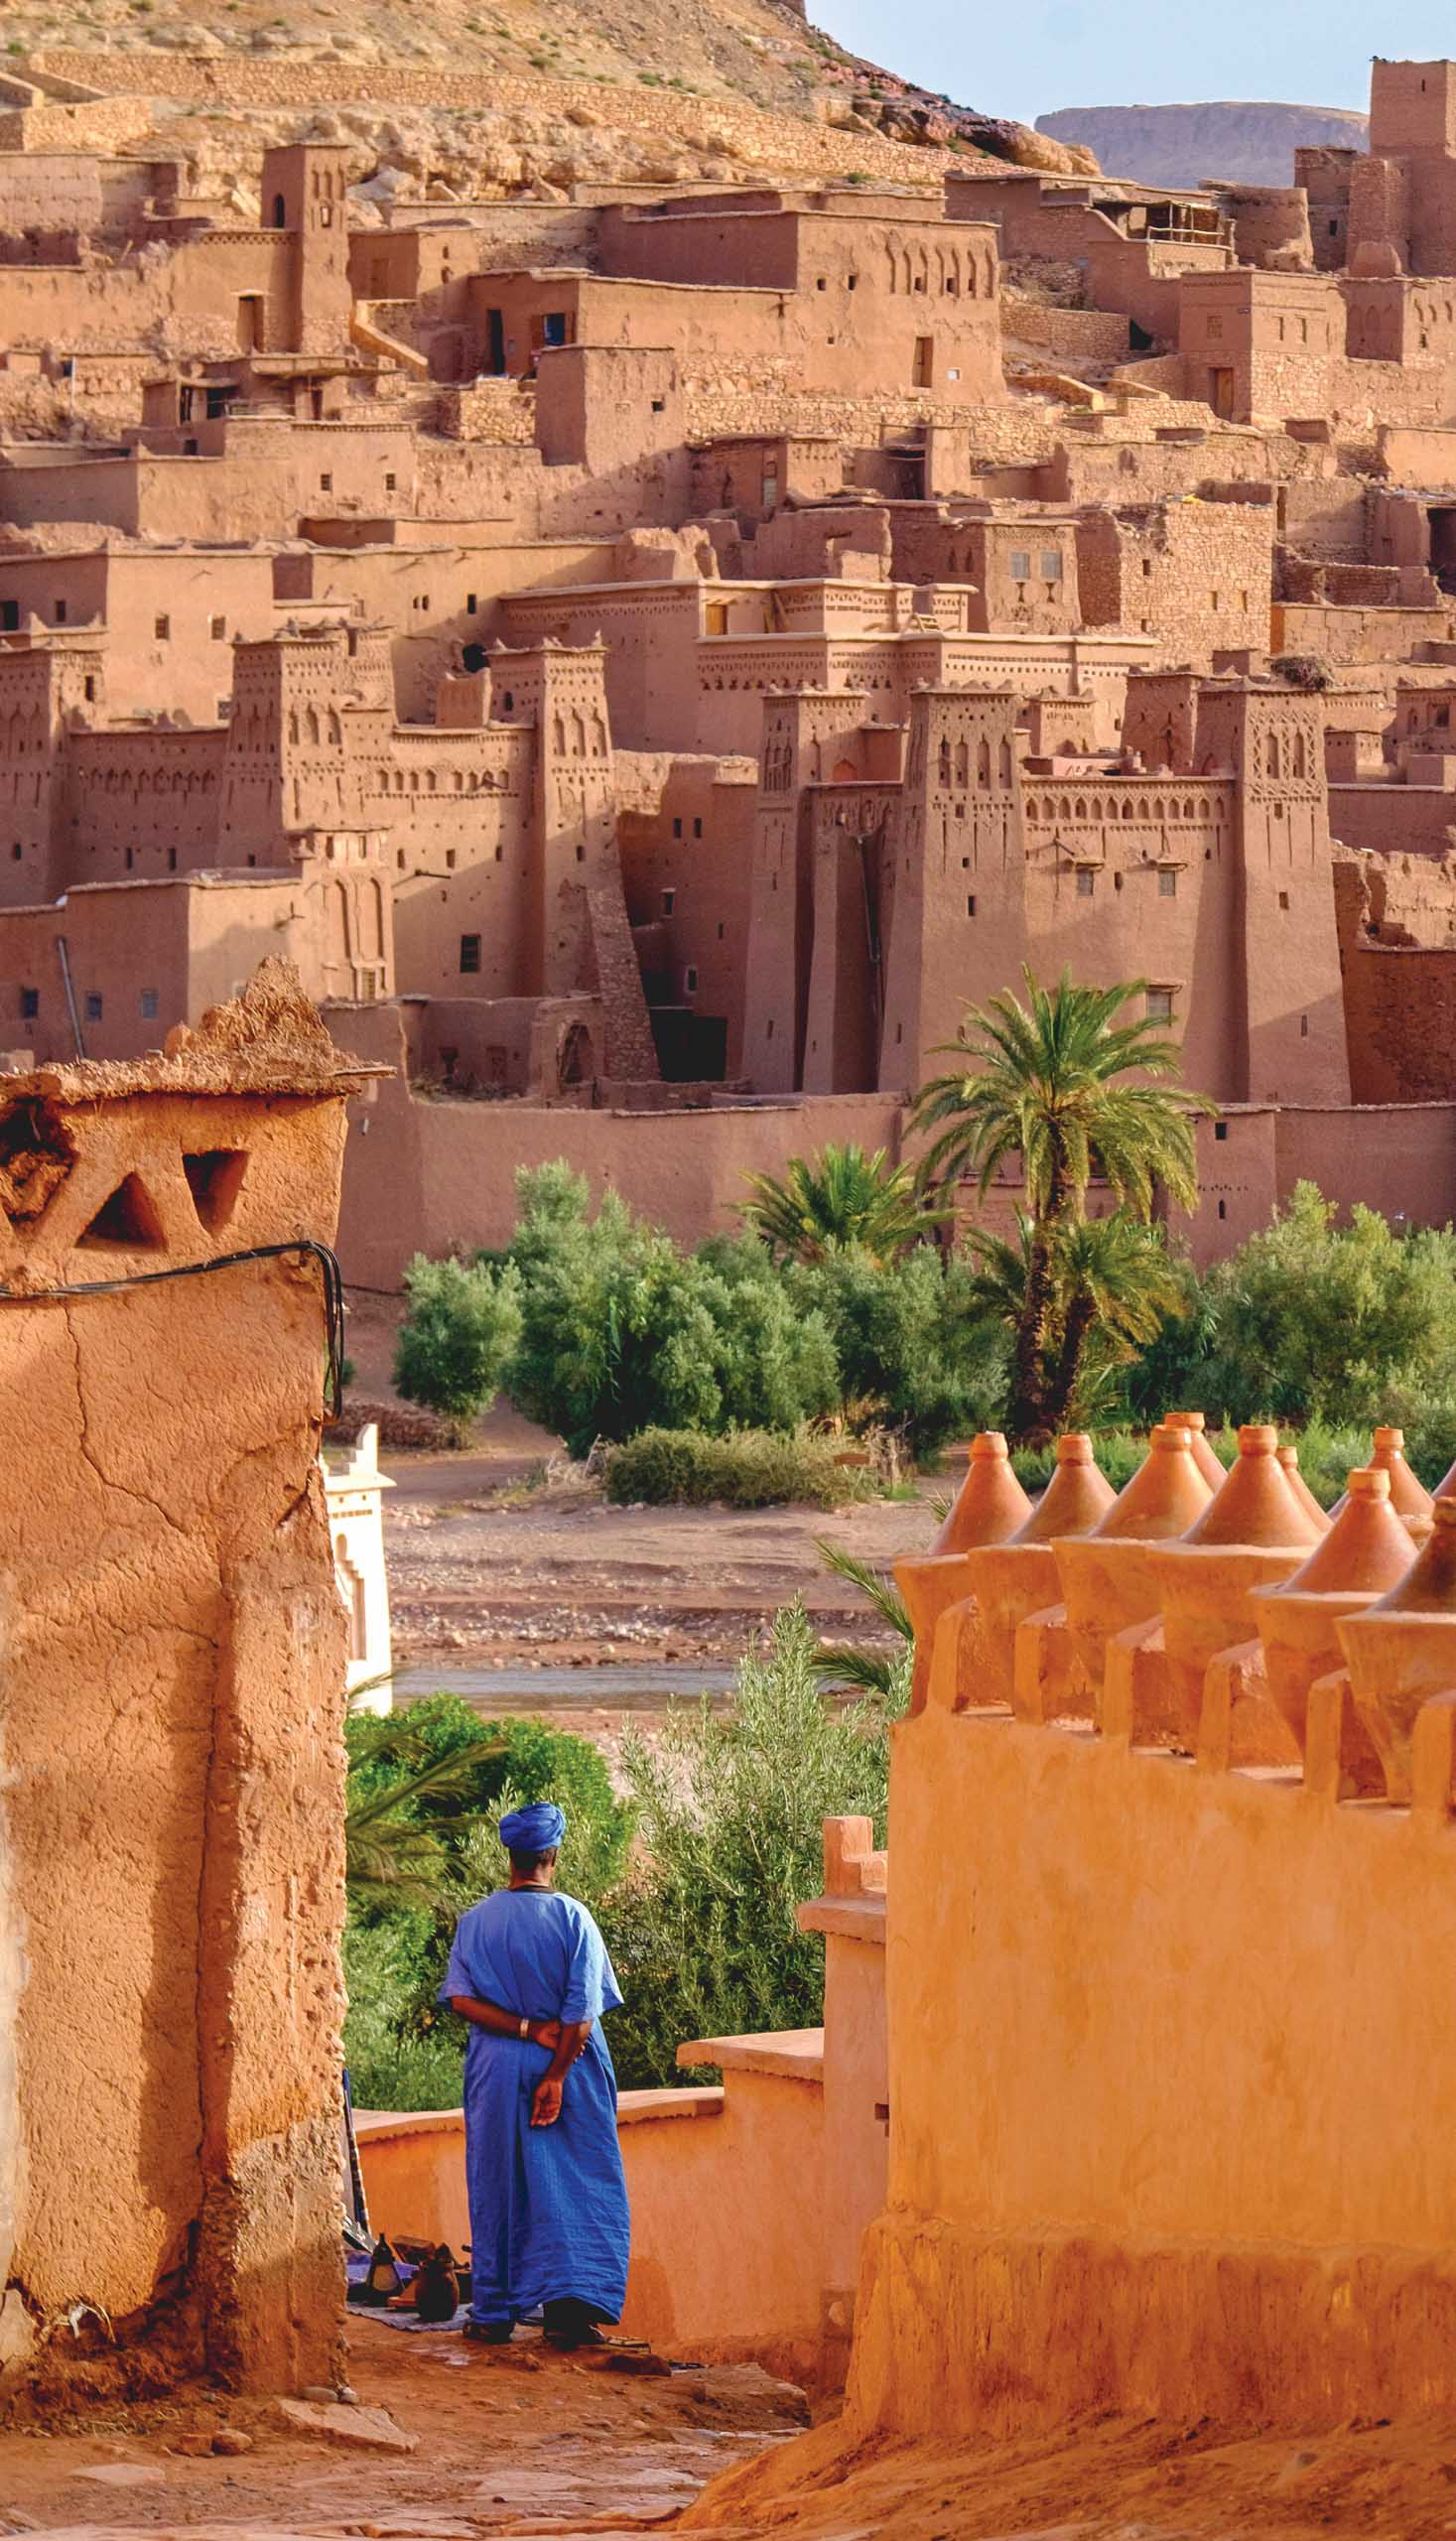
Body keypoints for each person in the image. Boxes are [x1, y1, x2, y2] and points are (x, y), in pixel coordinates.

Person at [440, 1800, 630, 2347]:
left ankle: (493, 2313)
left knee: (497, 2180)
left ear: (512, 1855)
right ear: (553, 1853)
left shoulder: (475, 1921)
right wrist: (556, 2076)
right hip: (567, 2066)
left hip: (495, 2069)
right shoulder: (574, 1918)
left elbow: (460, 2000)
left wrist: (522, 2028)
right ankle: (569, 2314)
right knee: (578, 2182)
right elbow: (581, 2014)